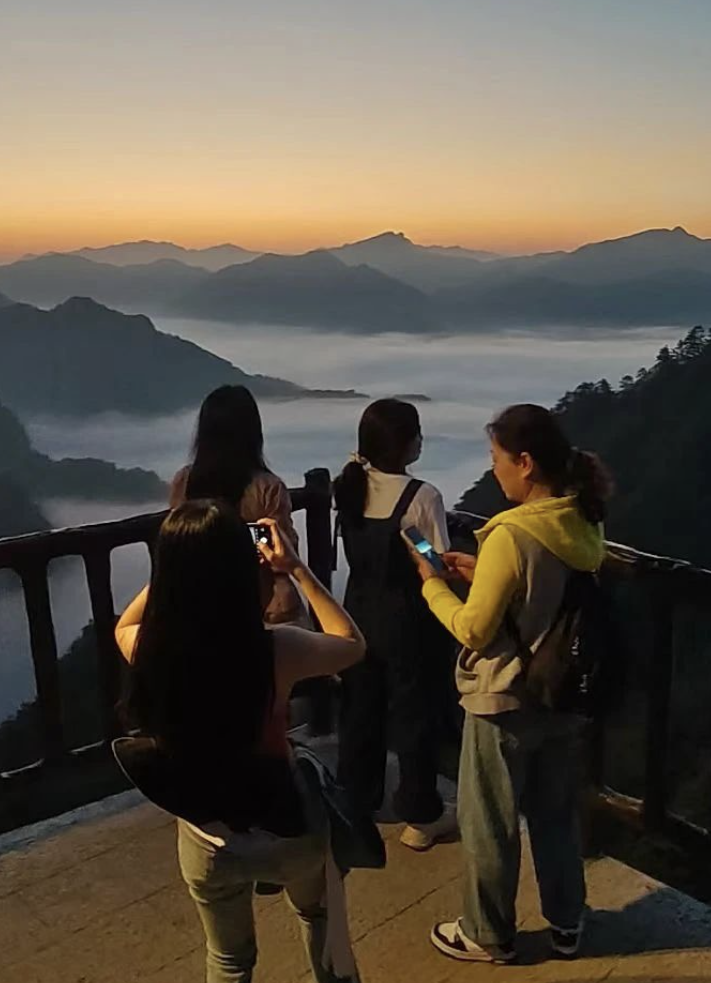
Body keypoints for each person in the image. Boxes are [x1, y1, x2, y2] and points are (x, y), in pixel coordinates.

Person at [116, 500, 366, 983]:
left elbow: (124, 623)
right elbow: (352, 644)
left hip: (207, 835)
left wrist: (177, 566)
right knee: (318, 918)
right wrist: (295, 567)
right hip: (286, 824)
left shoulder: (149, 648)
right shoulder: (278, 648)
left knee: (229, 961)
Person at [406, 403, 610, 964]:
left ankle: (487, 933)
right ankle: (568, 923)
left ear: (524, 462)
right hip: (564, 693)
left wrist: (432, 585)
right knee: (555, 816)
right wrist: (479, 570)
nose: (493, 470)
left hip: (506, 699)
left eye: (496, 458)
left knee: (490, 820)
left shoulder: (511, 534)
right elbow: (546, 590)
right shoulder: (582, 518)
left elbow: (474, 627)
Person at [333, 398, 460, 851]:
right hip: (407, 619)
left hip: (355, 612)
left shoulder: (348, 485)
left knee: (359, 708)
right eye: (418, 432)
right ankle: (420, 814)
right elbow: (435, 561)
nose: (422, 439)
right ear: (404, 444)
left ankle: (355, 798)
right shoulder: (422, 496)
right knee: (412, 714)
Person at [171, 385, 304, 627]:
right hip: (263, 605)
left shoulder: (184, 482)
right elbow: (282, 552)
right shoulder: (268, 487)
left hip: (198, 603)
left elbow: (178, 540)